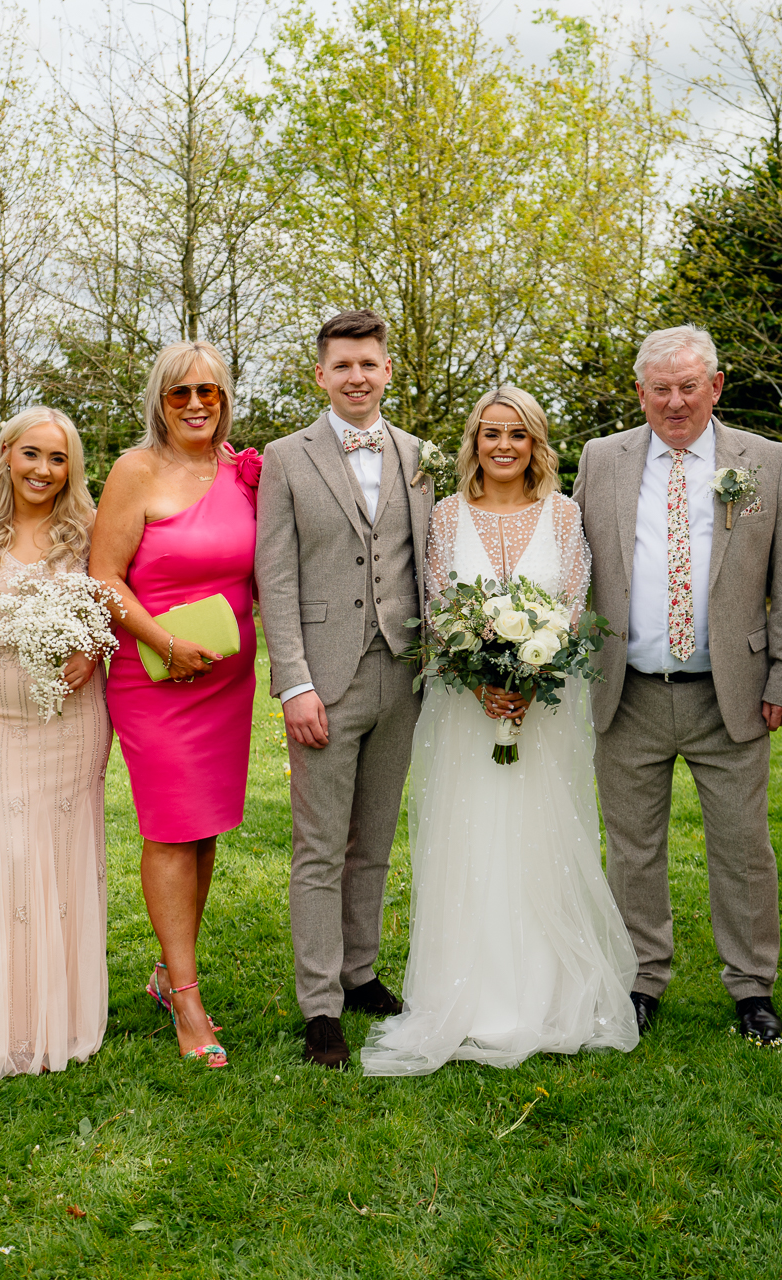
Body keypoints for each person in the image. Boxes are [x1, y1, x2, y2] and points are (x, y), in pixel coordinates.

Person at [359, 387, 641, 1076]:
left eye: (518, 434)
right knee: (471, 834)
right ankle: (470, 996)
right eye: (491, 435)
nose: (504, 446)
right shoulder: (446, 517)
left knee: (541, 835)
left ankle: (545, 994)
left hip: (544, 710)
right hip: (466, 709)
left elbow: (573, 605)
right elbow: (437, 607)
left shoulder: (565, 514)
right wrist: (482, 676)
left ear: (535, 443)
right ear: (474, 443)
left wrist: (529, 674)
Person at [572, 325, 782, 1045]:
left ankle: (751, 988)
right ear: (640, 392)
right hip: (627, 690)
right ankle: (641, 980)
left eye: (689, 387)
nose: (675, 402)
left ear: (716, 387)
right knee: (632, 848)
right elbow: (569, 561)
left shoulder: (766, 462)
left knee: (743, 846)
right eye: (660, 389)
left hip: (729, 690)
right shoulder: (602, 459)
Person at [255, 309, 435, 1069]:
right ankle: (320, 1003)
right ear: (320, 375)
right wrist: (294, 683)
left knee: (376, 841)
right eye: (342, 366)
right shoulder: (286, 458)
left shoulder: (420, 455)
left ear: (388, 371)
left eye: (369, 364)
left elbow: (432, 558)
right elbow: (276, 573)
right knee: (320, 848)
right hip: (324, 680)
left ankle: (360, 972)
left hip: (404, 672)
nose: (357, 377)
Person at [89, 340, 260, 1069]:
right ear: (160, 401)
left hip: (226, 678)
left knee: (206, 827)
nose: (196, 404)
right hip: (154, 676)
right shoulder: (136, 470)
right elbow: (103, 576)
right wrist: (161, 642)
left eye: (210, 393)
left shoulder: (245, 471)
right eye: (180, 393)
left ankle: (168, 970)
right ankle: (187, 998)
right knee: (169, 828)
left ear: (225, 400)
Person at [0, 408, 113, 1078]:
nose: (43, 470)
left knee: (66, 849)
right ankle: (3, 1017)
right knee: (7, 847)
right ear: (7, 453)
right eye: (32, 454)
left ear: (72, 468)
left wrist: (92, 650)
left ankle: (63, 1012)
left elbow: (113, 600)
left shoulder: (89, 530)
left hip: (74, 714)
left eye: (58, 459)